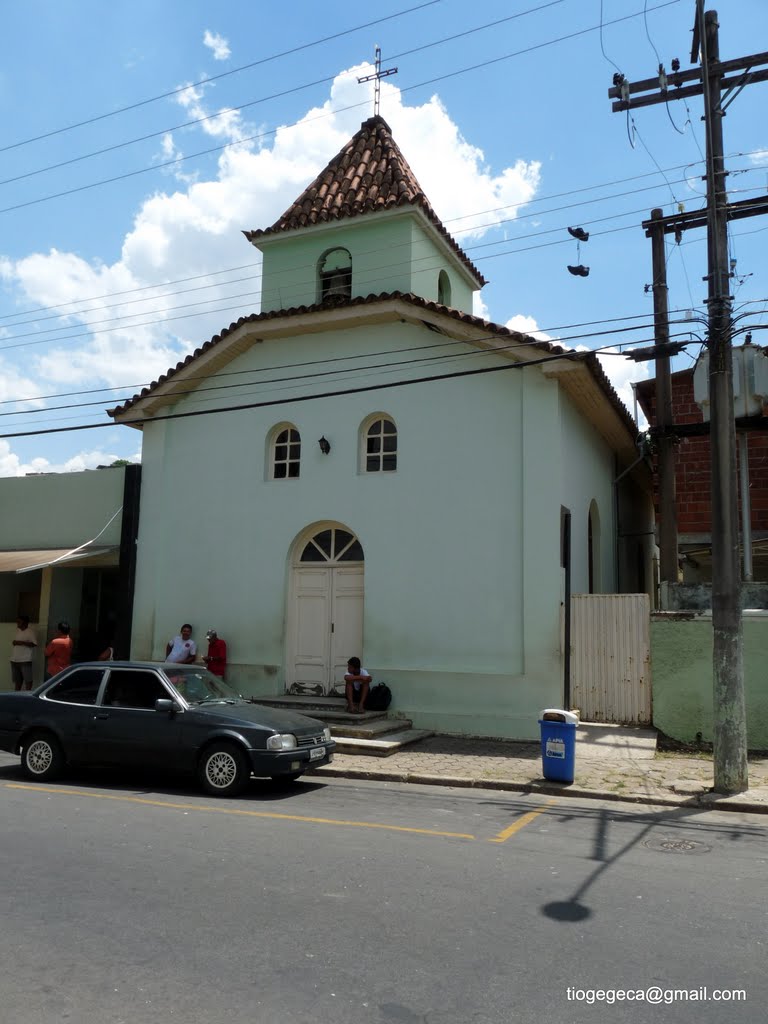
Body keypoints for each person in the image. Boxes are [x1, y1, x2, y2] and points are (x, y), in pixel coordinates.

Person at [10, 615, 37, 691]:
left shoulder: (30, 632)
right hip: (14, 660)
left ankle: (27, 695)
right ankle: (16, 696)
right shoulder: (18, 631)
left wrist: (21, 642)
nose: (17, 623)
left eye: (19, 622)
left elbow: (34, 644)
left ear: (25, 622)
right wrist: (15, 642)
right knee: (17, 681)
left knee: (28, 680)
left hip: (25, 660)